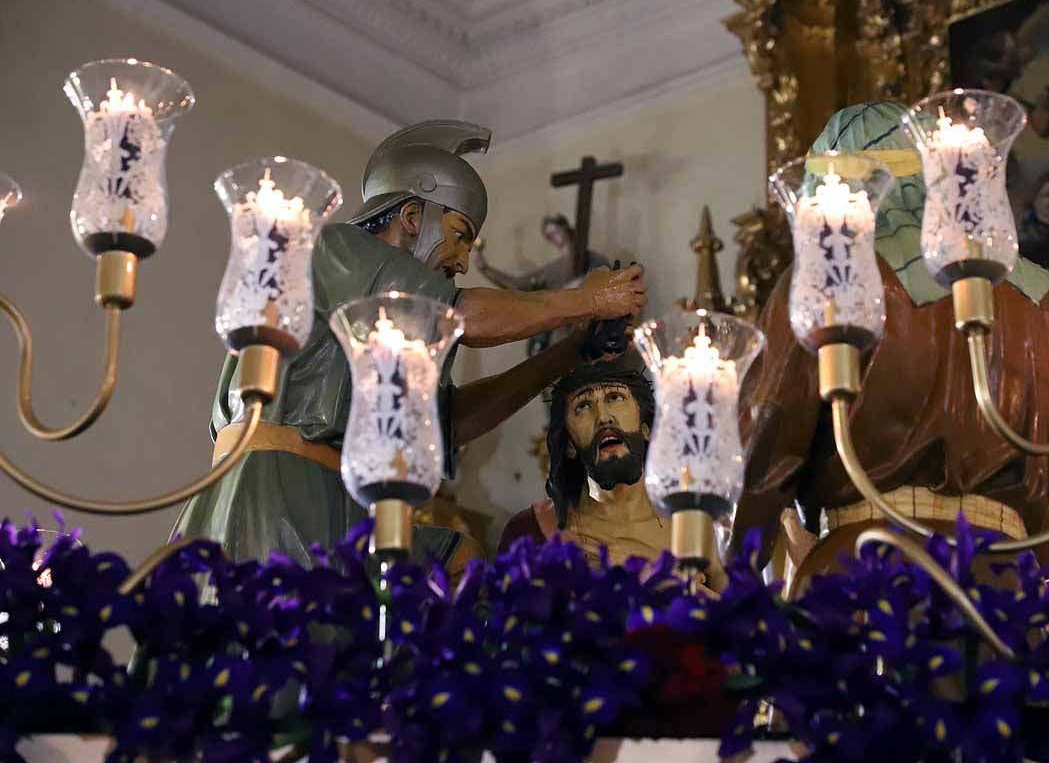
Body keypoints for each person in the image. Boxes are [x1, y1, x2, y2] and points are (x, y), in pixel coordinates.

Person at [173, 121, 648, 580]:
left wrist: (570, 351)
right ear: (412, 217)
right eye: (460, 234)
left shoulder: (399, 331)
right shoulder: (342, 247)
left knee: (462, 563)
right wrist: (587, 300)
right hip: (277, 488)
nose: (463, 261)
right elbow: (468, 316)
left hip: (349, 504)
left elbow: (452, 422)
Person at [736, 102, 1049, 588]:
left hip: (864, 574)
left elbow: (765, 443)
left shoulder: (831, 281)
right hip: (1009, 590)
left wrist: (725, 567)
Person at [498, 359, 727, 591]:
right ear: (569, 445)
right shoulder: (533, 532)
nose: (603, 417)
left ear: (646, 428)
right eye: (583, 407)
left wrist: (671, 584)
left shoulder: (696, 524)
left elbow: (740, 620)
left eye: (615, 398)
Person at [477, 214, 612, 357]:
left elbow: (606, 284)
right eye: (548, 236)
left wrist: (577, 288)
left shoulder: (594, 260)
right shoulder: (553, 269)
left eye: (554, 232)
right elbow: (517, 285)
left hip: (587, 335)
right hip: (558, 337)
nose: (552, 238)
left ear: (565, 228)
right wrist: (487, 270)